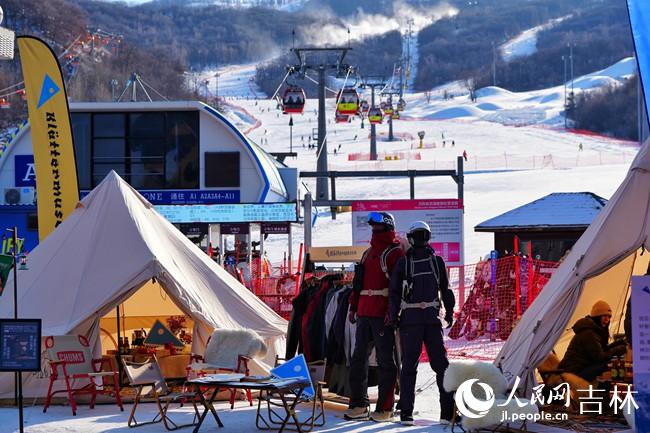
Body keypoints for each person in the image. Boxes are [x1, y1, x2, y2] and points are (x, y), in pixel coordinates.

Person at [389, 221, 455, 425]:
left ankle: (406, 413)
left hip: (410, 322)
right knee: (441, 366)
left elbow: (394, 293)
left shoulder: (403, 262)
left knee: (409, 367)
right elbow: (446, 289)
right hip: (432, 322)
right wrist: (450, 311)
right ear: (428, 237)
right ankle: (447, 414)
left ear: (411, 238)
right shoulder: (437, 262)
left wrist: (394, 316)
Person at [344, 212, 404, 422]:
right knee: (358, 359)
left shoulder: (394, 253)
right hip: (364, 312)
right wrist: (353, 307)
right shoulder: (368, 253)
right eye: (372, 227)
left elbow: (397, 288)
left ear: (387, 228)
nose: (374, 230)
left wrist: (391, 312)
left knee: (386, 361)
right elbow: (358, 284)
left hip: (381, 314)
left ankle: (385, 408)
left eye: (377, 227)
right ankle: (359, 403)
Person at [558, 300, 627, 382]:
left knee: (609, 362)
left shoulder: (594, 331)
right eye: (604, 316)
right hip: (573, 373)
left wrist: (621, 342)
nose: (607, 320)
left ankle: (605, 388)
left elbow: (602, 349)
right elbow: (600, 357)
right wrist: (620, 349)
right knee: (608, 363)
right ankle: (604, 391)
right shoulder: (588, 333)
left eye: (609, 317)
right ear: (597, 317)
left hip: (580, 368)